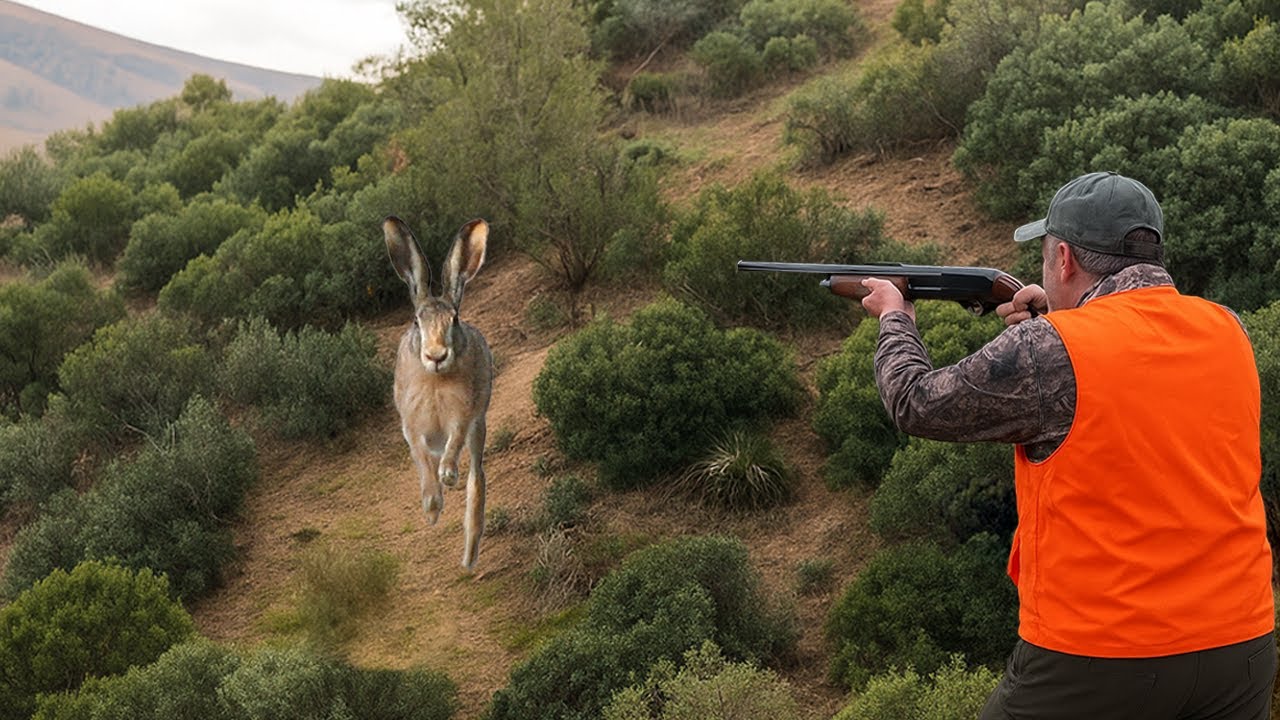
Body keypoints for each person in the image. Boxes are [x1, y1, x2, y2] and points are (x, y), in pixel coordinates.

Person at [858, 171, 1276, 719]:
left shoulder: (1049, 347)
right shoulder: (1228, 329)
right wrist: (1059, 323)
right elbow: (1136, 379)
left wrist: (895, 317)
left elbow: (915, 401)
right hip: (1240, 647)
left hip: (1102, 654)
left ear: (1062, 259)